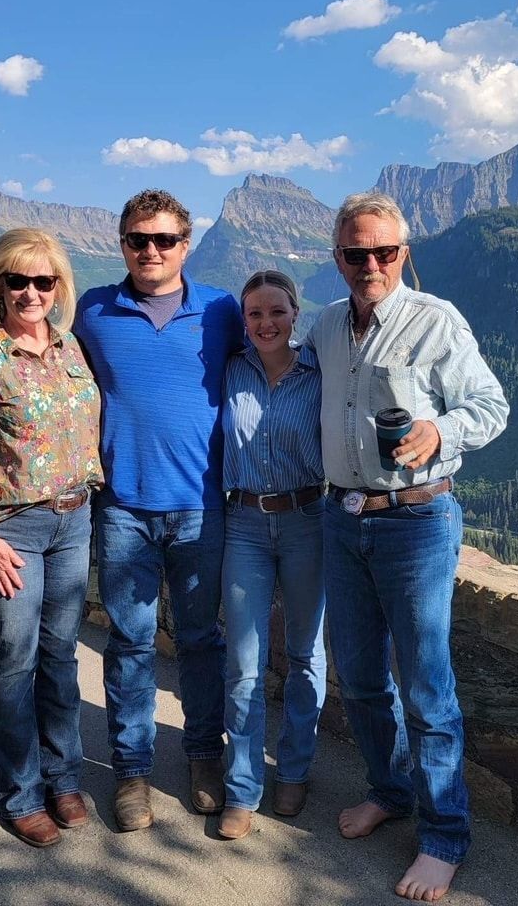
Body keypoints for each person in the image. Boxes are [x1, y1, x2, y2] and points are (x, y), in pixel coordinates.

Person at [305, 192, 508, 901]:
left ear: (404, 254)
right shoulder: (327, 326)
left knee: (426, 685)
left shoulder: (436, 320)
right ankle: (388, 790)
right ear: (337, 259)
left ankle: (444, 835)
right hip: (341, 516)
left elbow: (491, 405)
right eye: (356, 254)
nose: (371, 266)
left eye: (384, 253)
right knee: (359, 675)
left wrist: (439, 434)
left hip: (416, 519)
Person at [74, 189, 245, 831]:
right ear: (121, 243)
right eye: (138, 240)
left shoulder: (223, 311)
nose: (151, 251)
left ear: (185, 246)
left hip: (201, 506)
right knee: (130, 642)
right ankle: (133, 771)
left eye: (164, 240)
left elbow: (272, 362)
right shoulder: (93, 311)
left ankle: (204, 754)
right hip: (122, 508)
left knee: (201, 640)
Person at [0, 228, 102, 848]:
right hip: (11, 527)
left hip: (74, 518)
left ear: (60, 287)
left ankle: (64, 778)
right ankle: (21, 794)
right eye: (18, 280)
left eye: (44, 281)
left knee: (62, 656)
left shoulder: (72, 350)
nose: (31, 292)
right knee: (16, 658)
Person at [216, 270, 326, 841]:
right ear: (243, 320)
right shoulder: (229, 369)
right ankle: (242, 786)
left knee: (305, 655)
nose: (266, 323)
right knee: (245, 663)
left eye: (276, 312)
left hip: (309, 519)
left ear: (295, 314)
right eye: (254, 314)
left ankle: (297, 769)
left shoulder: (320, 373)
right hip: (244, 524)